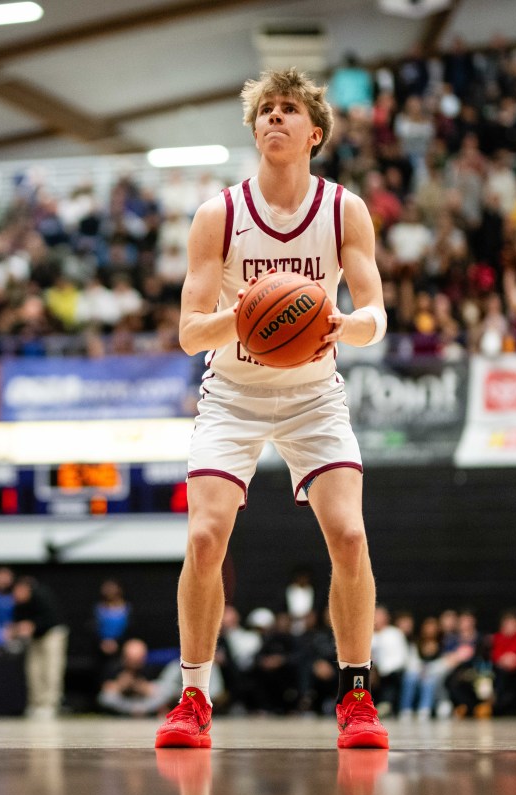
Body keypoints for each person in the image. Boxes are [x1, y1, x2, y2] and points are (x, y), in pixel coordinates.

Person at [156, 68, 389, 750]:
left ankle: (355, 695)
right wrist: (252, 311)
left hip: (315, 394)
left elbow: (375, 314)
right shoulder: (218, 215)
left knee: (348, 535)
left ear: (314, 132)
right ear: (255, 129)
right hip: (232, 393)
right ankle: (194, 695)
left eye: (289, 110)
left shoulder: (344, 209)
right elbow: (190, 331)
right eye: (266, 111)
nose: (275, 119)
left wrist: (340, 323)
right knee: (203, 538)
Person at [12, 575, 68, 719]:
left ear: (26, 589)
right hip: (34, 638)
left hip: (52, 635)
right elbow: (18, 620)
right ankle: (36, 704)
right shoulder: (19, 603)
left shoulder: (42, 596)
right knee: (33, 670)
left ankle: (50, 705)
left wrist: (34, 625)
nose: (16, 595)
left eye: (18, 591)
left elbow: (51, 619)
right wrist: (17, 629)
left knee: (51, 670)